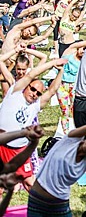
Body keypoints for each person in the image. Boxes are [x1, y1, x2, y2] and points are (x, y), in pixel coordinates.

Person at [0, 59, 67, 191]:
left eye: (38, 93)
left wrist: (61, 70)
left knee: (30, 183)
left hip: (19, 150)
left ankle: (41, 209)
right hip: (2, 146)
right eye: (33, 89)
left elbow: (52, 90)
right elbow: (31, 74)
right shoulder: (15, 92)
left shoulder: (36, 106)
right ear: (27, 87)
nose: (34, 94)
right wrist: (52, 63)